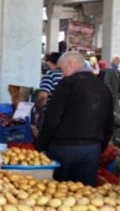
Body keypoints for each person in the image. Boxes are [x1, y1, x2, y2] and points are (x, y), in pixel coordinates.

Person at [36, 52, 115, 187]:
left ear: (71, 64)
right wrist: (100, 146)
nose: (61, 74)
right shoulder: (104, 87)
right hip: (91, 150)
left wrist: (41, 145)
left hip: (63, 149)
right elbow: (109, 122)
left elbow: (52, 118)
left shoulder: (66, 84)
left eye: (62, 69)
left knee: (59, 193)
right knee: (85, 193)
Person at [36, 52, 63, 128]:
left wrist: (37, 112)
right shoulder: (69, 75)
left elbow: (43, 96)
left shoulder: (50, 75)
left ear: (50, 62)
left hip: (51, 113)